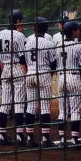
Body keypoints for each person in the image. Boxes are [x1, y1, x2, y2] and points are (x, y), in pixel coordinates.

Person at [24, 17, 57, 147]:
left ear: (33, 28)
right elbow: (53, 64)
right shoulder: (49, 43)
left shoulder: (27, 42)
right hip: (43, 73)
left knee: (30, 107)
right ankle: (45, 139)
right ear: (46, 29)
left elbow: (24, 60)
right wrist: (49, 75)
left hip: (30, 73)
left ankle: (29, 138)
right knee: (44, 107)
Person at [0, 10, 28, 146]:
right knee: (19, 104)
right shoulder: (19, 35)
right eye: (21, 20)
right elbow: (22, 57)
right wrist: (25, 72)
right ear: (18, 21)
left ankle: (2, 136)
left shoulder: (0, 34)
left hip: (5, 68)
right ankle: (20, 136)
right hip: (16, 68)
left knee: (5, 103)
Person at [56, 21, 81, 148]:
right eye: (77, 30)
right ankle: (74, 140)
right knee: (75, 110)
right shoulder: (78, 46)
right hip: (73, 77)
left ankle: (62, 139)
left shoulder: (58, 46)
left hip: (61, 78)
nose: (78, 31)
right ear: (73, 31)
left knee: (62, 111)